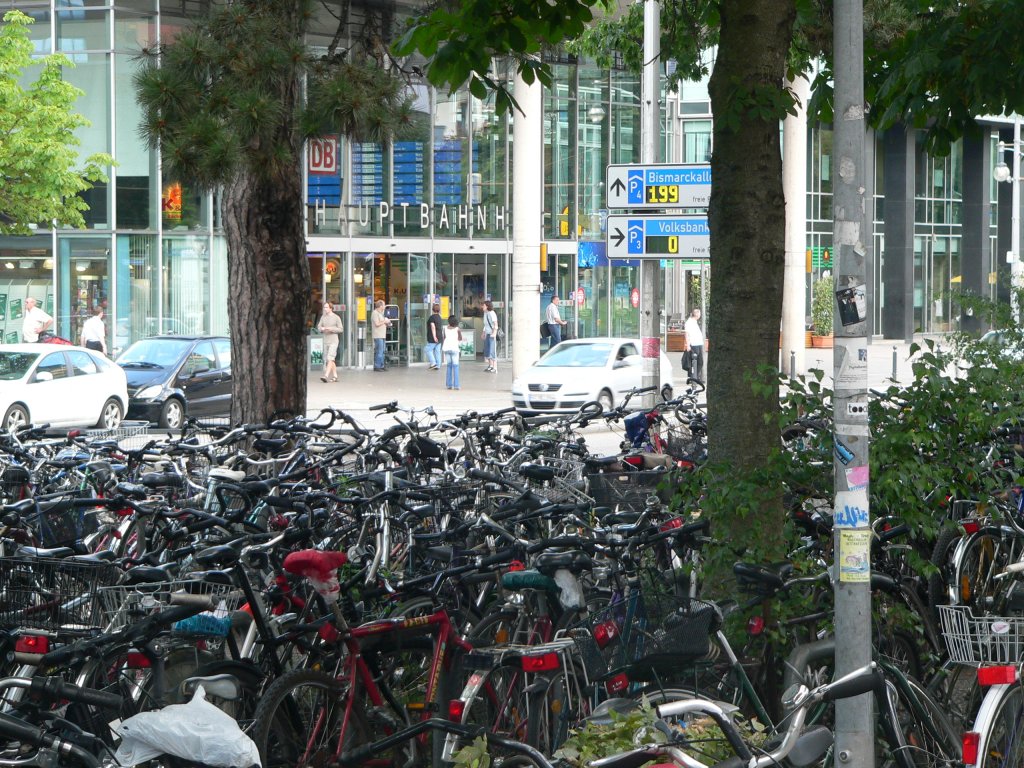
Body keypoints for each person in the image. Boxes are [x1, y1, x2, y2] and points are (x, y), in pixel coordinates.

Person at [317, 301, 343, 382]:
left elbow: (340, 329)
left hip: (334, 340)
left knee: (330, 358)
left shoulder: (336, 317)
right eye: (324, 307)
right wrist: (321, 328)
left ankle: (326, 375)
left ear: (331, 308)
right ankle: (335, 376)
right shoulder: (323, 317)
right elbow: (319, 326)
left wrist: (331, 329)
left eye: (326, 307)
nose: (325, 309)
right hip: (326, 340)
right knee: (330, 360)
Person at [684, 308, 705, 382]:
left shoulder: (694, 321)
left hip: (698, 343)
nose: (700, 315)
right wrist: (688, 345)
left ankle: (695, 377)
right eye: (699, 313)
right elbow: (686, 334)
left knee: (700, 361)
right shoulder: (689, 322)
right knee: (695, 362)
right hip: (694, 344)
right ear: (696, 314)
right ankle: (693, 377)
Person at [442, 315, 462, 390]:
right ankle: (456, 385)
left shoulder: (444, 328)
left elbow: (444, 337)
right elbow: (460, 338)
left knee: (449, 366)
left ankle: (449, 385)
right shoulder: (457, 329)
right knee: (456, 367)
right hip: (454, 349)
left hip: (447, 348)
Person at [370, 299, 391, 371]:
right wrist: (384, 321)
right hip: (378, 335)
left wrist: (387, 322)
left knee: (382, 351)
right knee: (379, 351)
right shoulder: (375, 313)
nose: (385, 306)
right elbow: (377, 324)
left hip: (382, 335)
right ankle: (377, 366)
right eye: (384, 305)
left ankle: (382, 365)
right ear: (380, 306)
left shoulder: (381, 313)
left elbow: (381, 322)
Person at [482, 300, 499, 373]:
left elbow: (495, 324)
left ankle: (494, 367)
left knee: (492, 350)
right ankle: (490, 365)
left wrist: (494, 333)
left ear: (487, 306)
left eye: (484, 305)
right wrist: (483, 332)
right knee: (487, 350)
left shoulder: (492, 313)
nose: (482, 306)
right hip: (487, 333)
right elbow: (486, 325)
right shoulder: (485, 313)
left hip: (492, 334)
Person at [425, 303, 443, 370]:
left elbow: (433, 326)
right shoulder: (439, 317)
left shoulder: (432, 317)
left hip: (433, 337)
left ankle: (433, 363)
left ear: (433, 309)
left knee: (427, 349)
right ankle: (438, 365)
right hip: (440, 336)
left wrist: (434, 336)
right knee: (437, 351)